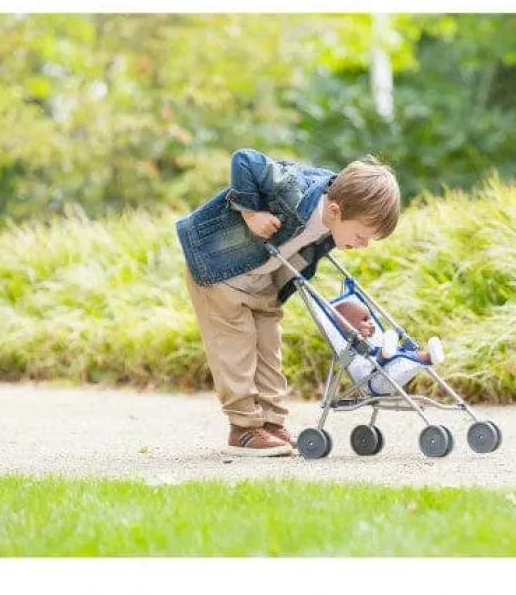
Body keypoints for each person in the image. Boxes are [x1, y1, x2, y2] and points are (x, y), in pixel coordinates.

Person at [176, 148, 401, 457]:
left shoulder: (339, 208)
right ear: (335, 210)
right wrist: (252, 214)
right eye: (362, 236)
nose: (363, 245)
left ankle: (271, 423)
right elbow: (245, 159)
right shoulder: (293, 188)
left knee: (269, 351)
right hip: (218, 271)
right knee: (235, 350)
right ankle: (243, 429)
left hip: (261, 281)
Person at [333, 300, 444, 365]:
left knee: (406, 353)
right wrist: (356, 339)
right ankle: (387, 351)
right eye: (365, 320)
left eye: (370, 319)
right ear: (348, 326)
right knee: (384, 353)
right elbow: (343, 363)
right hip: (374, 373)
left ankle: (430, 356)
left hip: (394, 365)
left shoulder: (370, 341)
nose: (371, 322)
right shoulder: (347, 346)